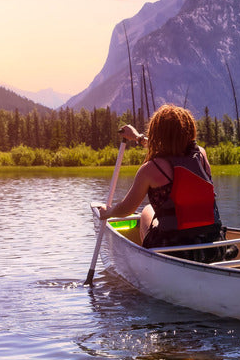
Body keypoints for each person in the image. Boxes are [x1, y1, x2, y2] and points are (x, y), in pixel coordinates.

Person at [97, 104, 231, 262]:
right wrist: (138, 138)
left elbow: (127, 209)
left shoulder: (150, 169)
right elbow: (174, 150)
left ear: (156, 133)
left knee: (147, 210)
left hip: (173, 251)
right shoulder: (201, 155)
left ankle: (149, 263)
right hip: (212, 246)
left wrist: (108, 212)